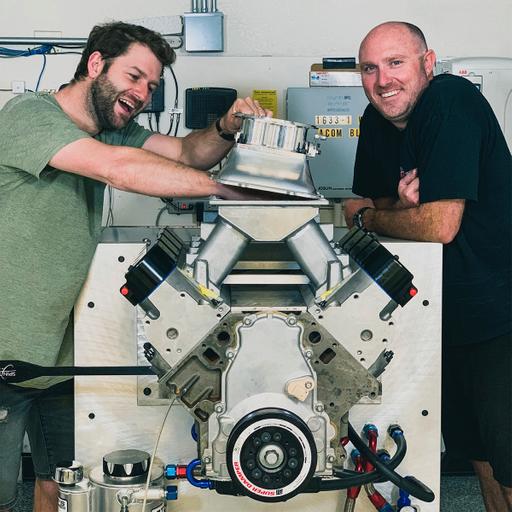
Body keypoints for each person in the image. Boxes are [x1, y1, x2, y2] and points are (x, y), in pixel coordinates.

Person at [0, 21, 271, 512]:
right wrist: (229, 190)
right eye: (134, 76)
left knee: (61, 484)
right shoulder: (29, 115)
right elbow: (116, 168)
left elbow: (188, 153)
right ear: (95, 64)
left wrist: (227, 127)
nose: (143, 93)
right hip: (5, 350)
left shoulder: (114, 128)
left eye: (151, 85)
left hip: (58, 356)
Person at [344, 21, 512, 511]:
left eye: (396, 63)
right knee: (477, 455)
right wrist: (396, 209)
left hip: (499, 313)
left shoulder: (450, 100)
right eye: (370, 68)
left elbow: (439, 225)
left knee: (508, 459)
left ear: (428, 63)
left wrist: (375, 218)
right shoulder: (375, 120)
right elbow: (366, 204)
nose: (383, 80)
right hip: (440, 315)